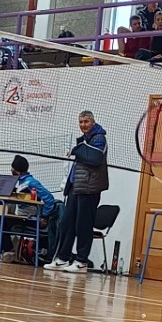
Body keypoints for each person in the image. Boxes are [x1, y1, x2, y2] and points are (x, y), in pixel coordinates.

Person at [49, 111, 109, 272]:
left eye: (86, 122)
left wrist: (77, 150)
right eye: (81, 122)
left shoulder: (99, 138)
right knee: (66, 223)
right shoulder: (84, 140)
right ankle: (62, 258)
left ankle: (81, 261)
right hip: (75, 187)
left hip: (89, 189)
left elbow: (95, 158)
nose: (83, 125)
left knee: (83, 225)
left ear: (93, 122)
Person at [3, 154, 59, 263]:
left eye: (12, 168)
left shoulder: (31, 182)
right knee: (0, 220)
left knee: (3, 222)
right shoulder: (20, 182)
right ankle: (6, 251)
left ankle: (9, 251)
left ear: (17, 170)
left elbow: (49, 198)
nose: (11, 170)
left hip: (30, 218)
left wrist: (44, 216)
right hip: (22, 215)